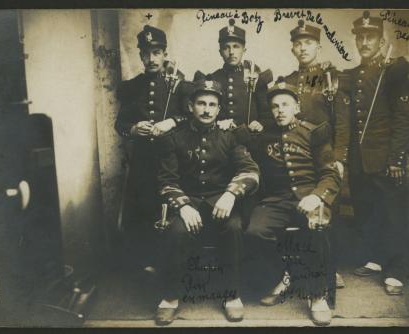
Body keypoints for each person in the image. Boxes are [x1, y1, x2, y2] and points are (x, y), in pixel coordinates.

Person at [155, 80, 260, 325]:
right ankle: (170, 297)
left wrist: (231, 193)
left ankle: (231, 295)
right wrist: (183, 205)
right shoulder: (174, 137)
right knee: (177, 231)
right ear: (190, 106)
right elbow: (165, 180)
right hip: (188, 202)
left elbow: (250, 171)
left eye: (213, 105)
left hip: (220, 202)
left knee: (233, 228)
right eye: (201, 103)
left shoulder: (229, 136)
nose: (206, 109)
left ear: (219, 109)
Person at [244, 79, 342, 326]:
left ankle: (318, 295)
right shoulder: (263, 135)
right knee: (255, 232)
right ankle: (286, 276)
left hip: (310, 197)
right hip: (277, 200)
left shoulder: (314, 132)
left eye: (285, 104)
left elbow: (331, 173)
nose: (280, 110)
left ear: (296, 107)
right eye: (275, 106)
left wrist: (316, 196)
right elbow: (235, 138)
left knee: (317, 225)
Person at [346, 11, 409, 295]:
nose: (364, 42)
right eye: (360, 37)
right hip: (359, 160)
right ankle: (375, 260)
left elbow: (403, 119)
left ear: (381, 40)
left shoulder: (395, 72)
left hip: (385, 158)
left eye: (370, 37)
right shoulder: (353, 75)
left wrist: (396, 158)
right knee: (366, 211)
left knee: (393, 214)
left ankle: (396, 270)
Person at [114, 24, 192, 270]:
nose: (151, 58)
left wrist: (172, 121)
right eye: (146, 53)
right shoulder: (132, 87)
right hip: (143, 161)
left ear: (165, 54)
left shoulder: (179, 85)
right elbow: (120, 124)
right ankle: (149, 264)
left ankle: (176, 263)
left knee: (173, 212)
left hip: (175, 160)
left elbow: (192, 117)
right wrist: (134, 129)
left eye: (156, 52)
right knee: (144, 211)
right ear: (140, 56)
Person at [285, 19, 352, 288]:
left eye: (308, 43)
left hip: (324, 154)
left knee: (327, 211)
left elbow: (343, 122)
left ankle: (329, 269)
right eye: (298, 43)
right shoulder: (288, 80)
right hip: (299, 154)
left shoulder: (331, 79)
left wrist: (339, 157)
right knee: (301, 209)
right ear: (292, 48)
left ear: (318, 46)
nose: (303, 48)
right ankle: (301, 265)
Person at [195, 18, 274, 134]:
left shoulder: (255, 77)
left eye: (236, 46)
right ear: (220, 52)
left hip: (250, 137)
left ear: (244, 50)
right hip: (221, 138)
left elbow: (267, 114)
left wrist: (260, 123)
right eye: (226, 47)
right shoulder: (213, 78)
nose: (231, 52)